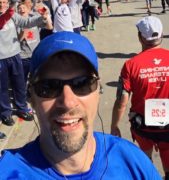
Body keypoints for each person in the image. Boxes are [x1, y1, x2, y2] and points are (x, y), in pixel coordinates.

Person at [0, 31, 161, 179]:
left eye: (82, 83)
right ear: (31, 98)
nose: (68, 102)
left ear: (98, 90)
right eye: (48, 87)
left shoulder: (132, 161)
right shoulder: (8, 172)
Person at [111, 16, 169, 180]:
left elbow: (122, 101)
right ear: (162, 35)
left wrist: (114, 126)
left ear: (140, 37)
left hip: (143, 126)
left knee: (145, 163)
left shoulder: (131, 65)